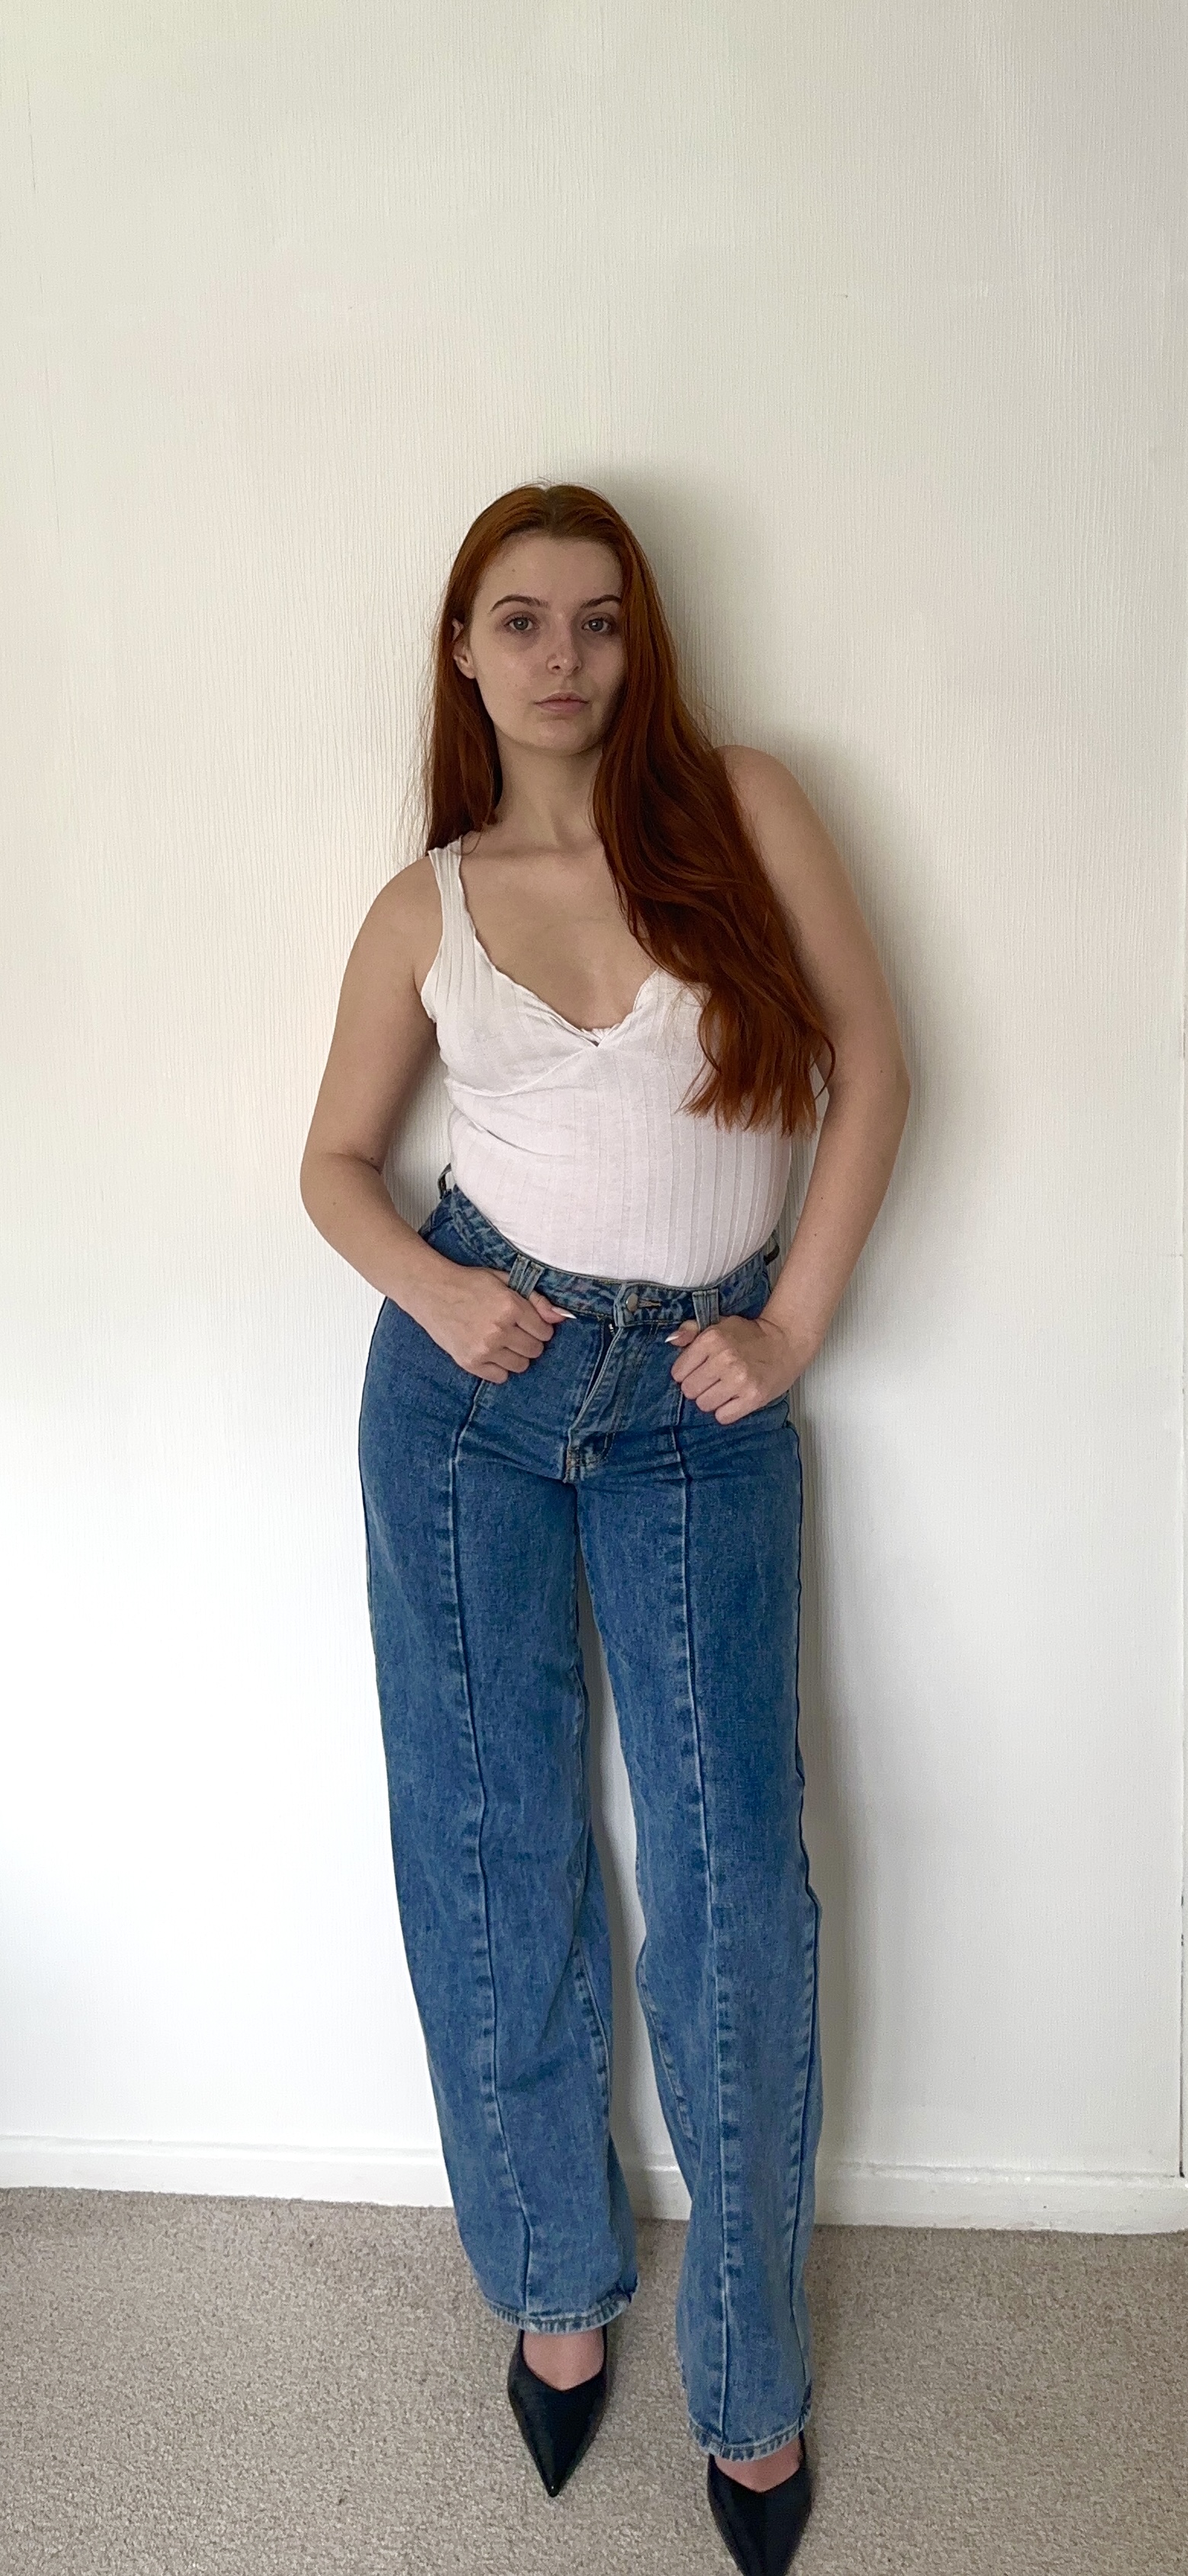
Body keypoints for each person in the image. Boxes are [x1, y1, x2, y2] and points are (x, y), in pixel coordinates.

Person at [299, 482, 909, 2574]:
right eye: (520, 621)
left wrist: (794, 1321)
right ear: (465, 656)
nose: (562, 656)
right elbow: (333, 1165)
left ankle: (750, 2380)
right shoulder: (428, 906)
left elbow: (874, 1067)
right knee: (489, 1853)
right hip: (469, 1399)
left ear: (640, 644)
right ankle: (554, 2287)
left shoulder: (741, 811)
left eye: (598, 619)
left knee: (733, 1883)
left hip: (697, 1410)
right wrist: (437, 1292)